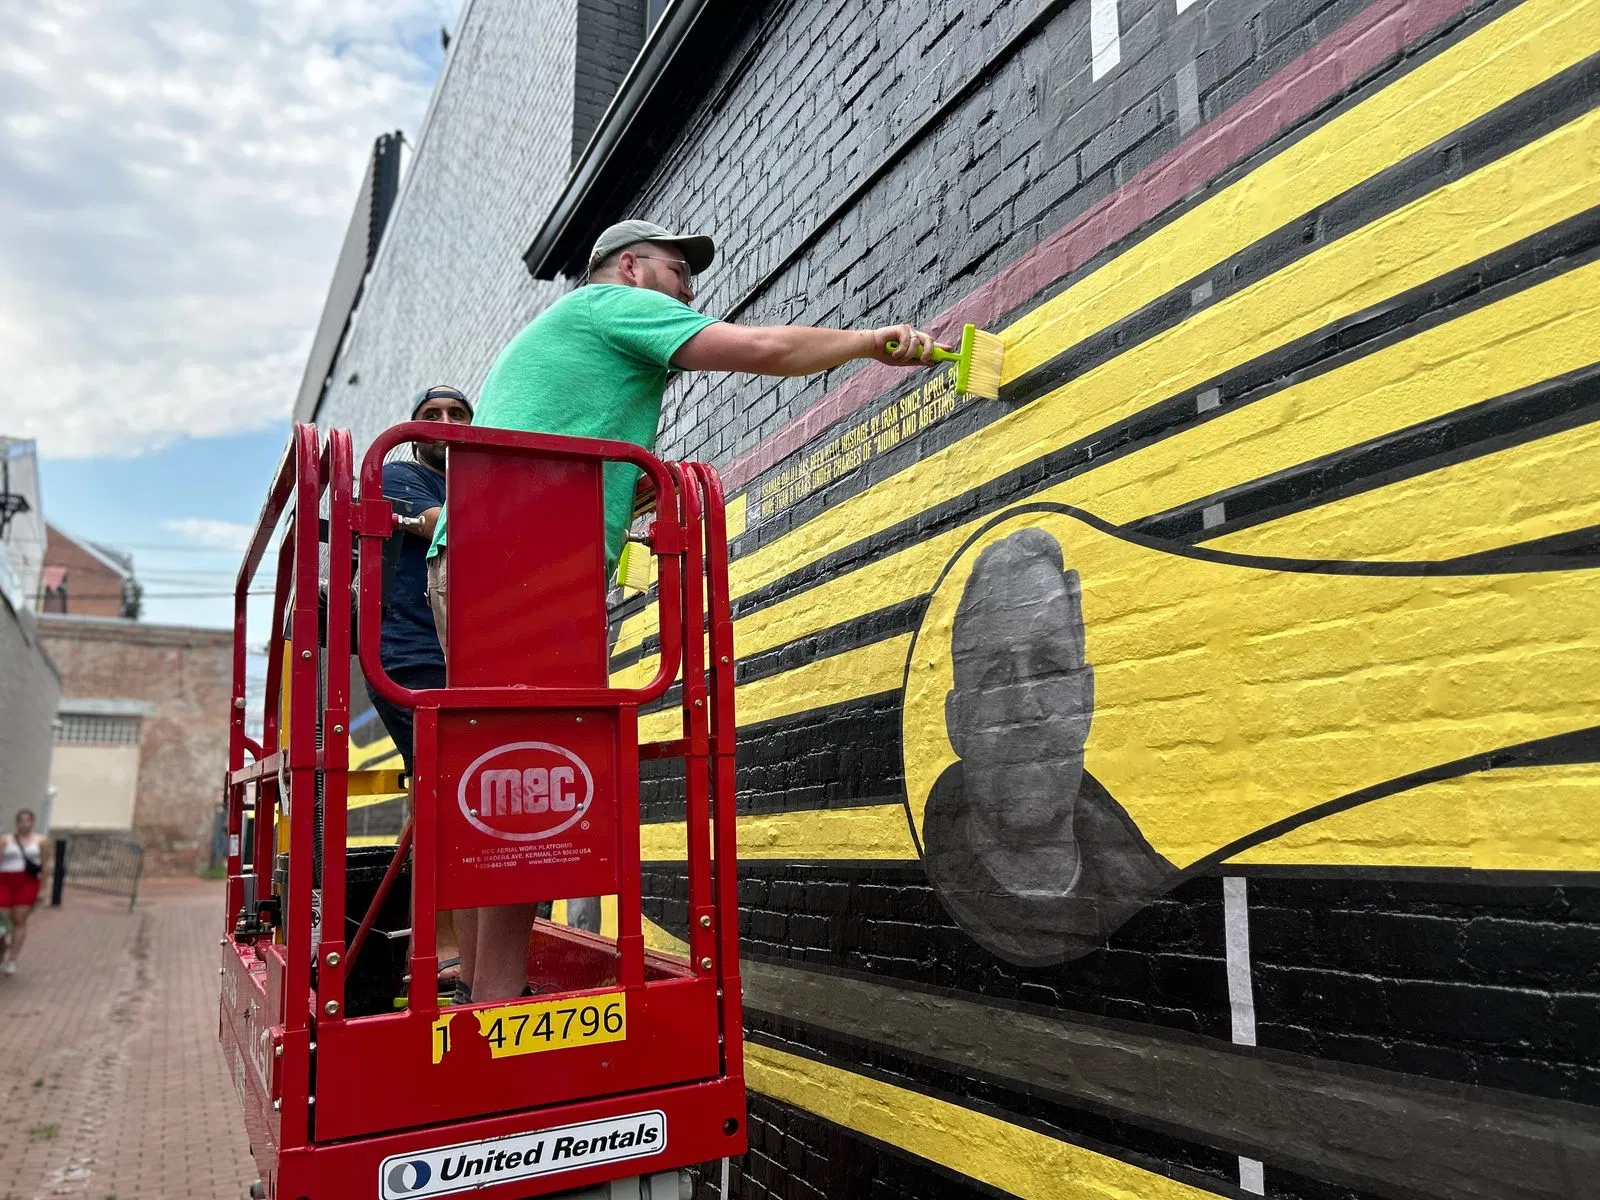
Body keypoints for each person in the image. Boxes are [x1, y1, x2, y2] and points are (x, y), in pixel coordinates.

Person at [428, 219, 947, 1001]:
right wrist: (873, 342)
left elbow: (563, 437)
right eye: (677, 272)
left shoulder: (573, 333)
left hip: (484, 560)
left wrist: (624, 490)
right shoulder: (611, 306)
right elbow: (765, 352)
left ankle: (479, 987)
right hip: (519, 568)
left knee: (498, 786)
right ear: (631, 268)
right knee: (529, 798)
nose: (690, 290)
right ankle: (497, 1014)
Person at [922, 528, 1172, 967]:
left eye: (1050, 667)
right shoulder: (916, 915)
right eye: (996, 674)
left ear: (1086, 699)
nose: (1027, 705)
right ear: (956, 722)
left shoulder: (1164, 907)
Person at [365, 384, 475, 999]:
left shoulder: (478, 478)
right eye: (430, 415)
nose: (443, 423)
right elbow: (444, 528)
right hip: (410, 652)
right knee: (451, 785)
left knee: (447, 790)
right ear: (413, 428)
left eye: (457, 415)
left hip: (462, 654)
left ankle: (435, 946)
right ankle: (447, 951)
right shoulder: (399, 472)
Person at [0, 809, 45, 975]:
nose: (25, 824)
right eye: (21, 821)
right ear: (16, 823)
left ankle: (12, 960)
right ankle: (3, 948)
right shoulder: (6, 840)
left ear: (33, 823)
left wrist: (43, 889)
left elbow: (46, 865)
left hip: (28, 882)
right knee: (3, 921)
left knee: (20, 919)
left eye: (28, 821)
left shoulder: (41, 841)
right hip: (5, 881)